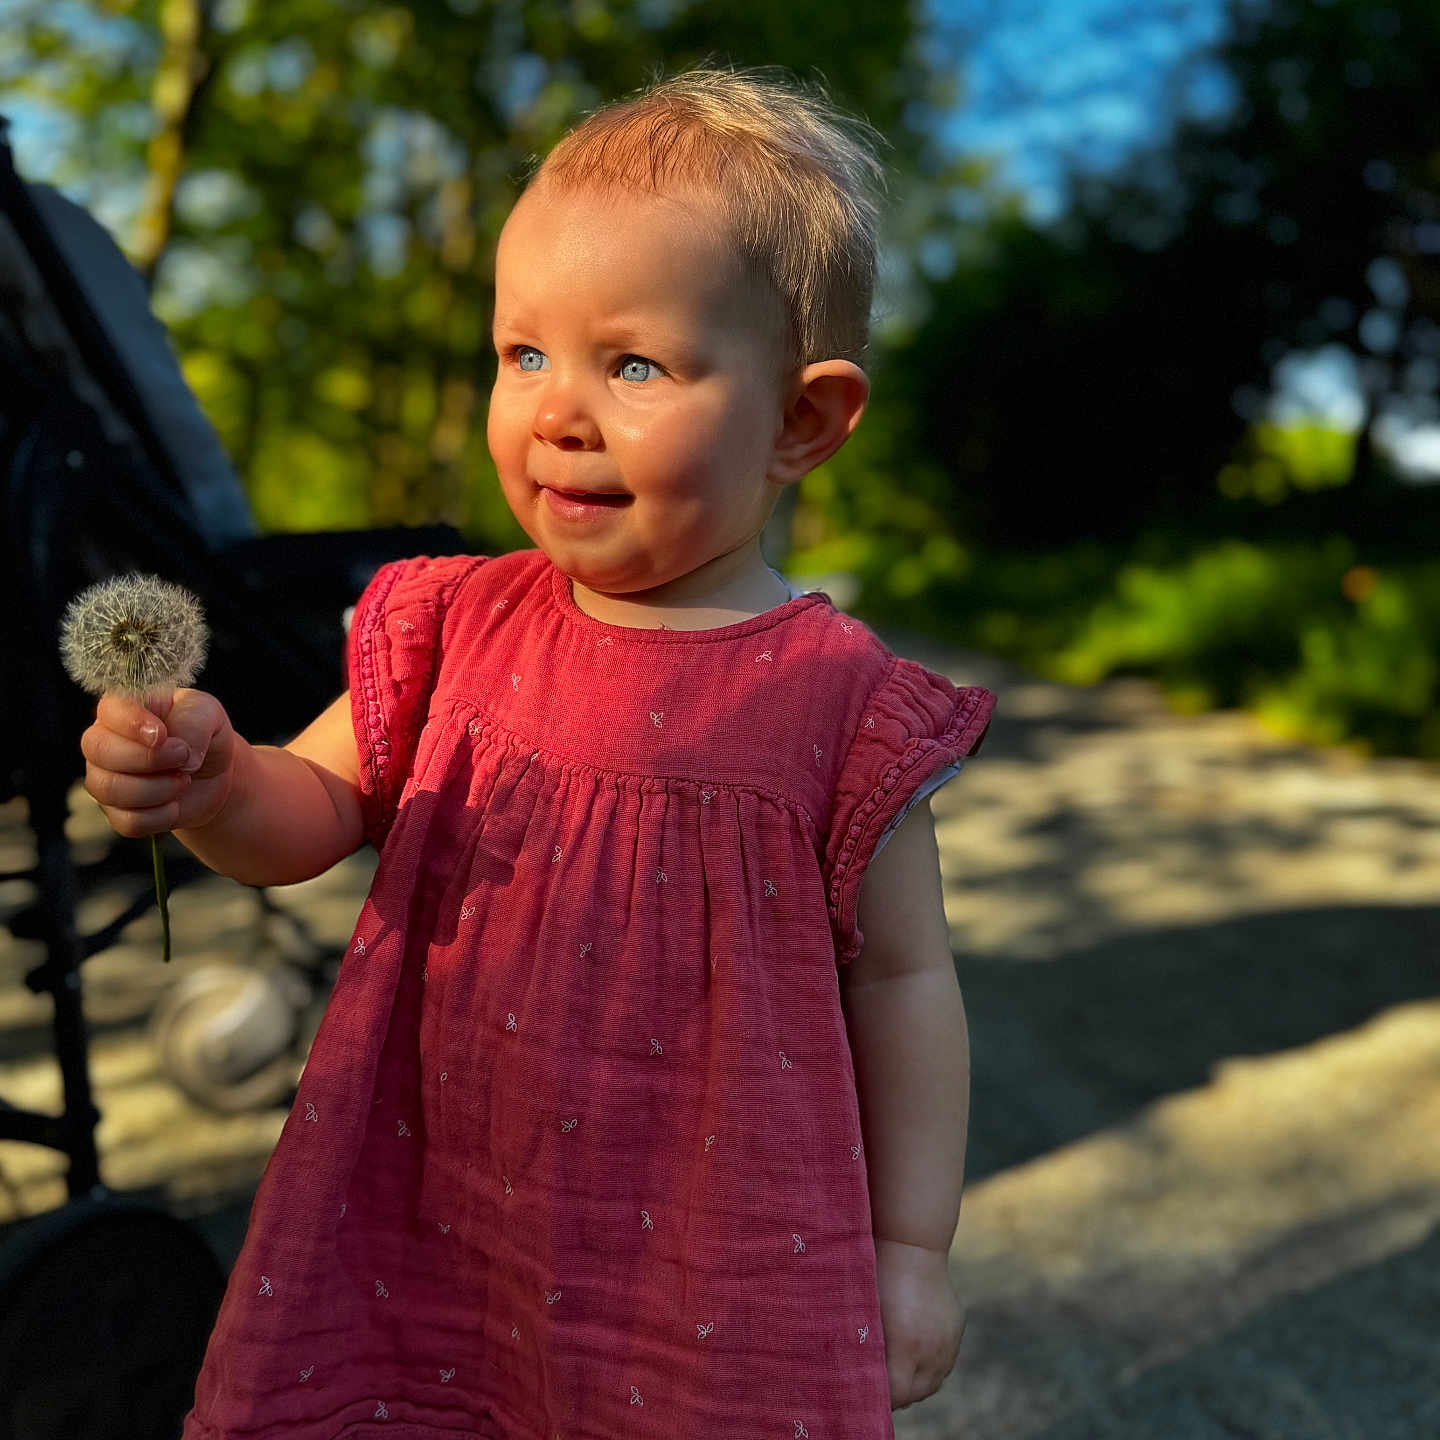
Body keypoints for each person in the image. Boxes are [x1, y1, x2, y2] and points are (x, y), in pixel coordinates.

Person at [80, 66, 995, 1440]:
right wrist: (218, 784)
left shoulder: (838, 701)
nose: (558, 410)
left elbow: (907, 984)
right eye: (523, 355)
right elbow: (311, 807)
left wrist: (910, 1248)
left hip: (715, 1266)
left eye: (633, 365)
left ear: (800, 421)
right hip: (437, 1206)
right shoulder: (453, 624)